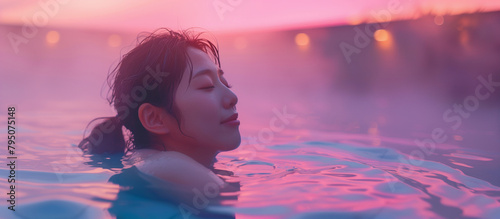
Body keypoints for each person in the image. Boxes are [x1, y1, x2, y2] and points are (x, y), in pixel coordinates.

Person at [78, 28, 241, 192]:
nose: (232, 97)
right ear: (155, 118)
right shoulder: (169, 166)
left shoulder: (155, 165)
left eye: (225, 83)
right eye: (207, 86)